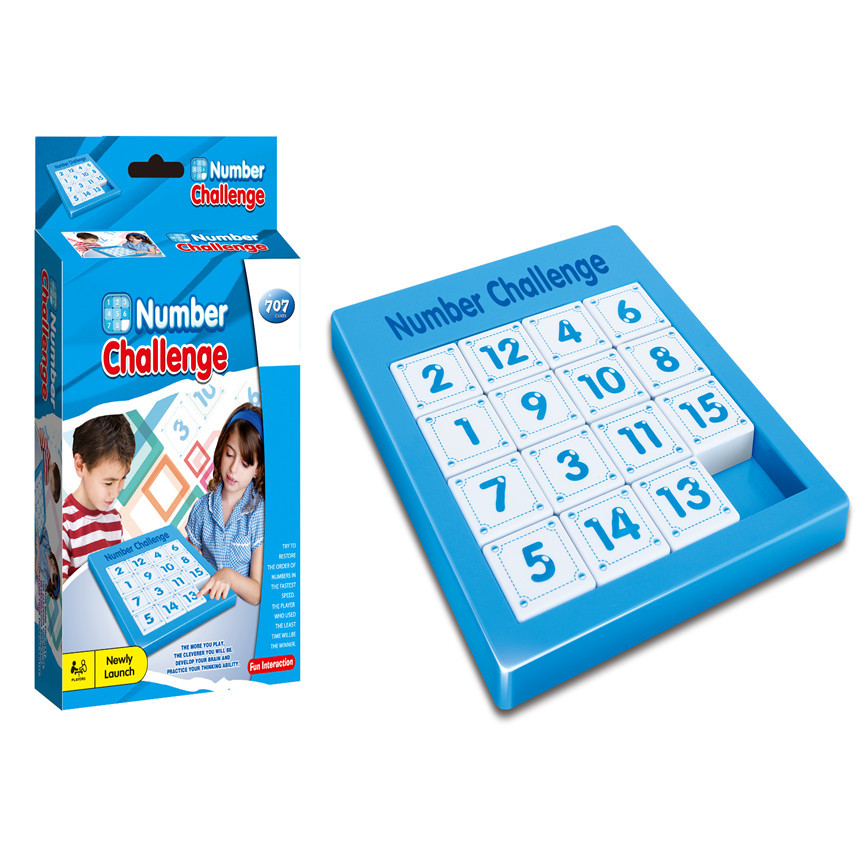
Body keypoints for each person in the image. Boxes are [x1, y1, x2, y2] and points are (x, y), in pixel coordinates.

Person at [186, 403, 264, 605]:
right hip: (207, 608)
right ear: (221, 450)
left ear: (257, 469)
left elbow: (257, 593)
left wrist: (228, 576)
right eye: (229, 454)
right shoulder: (201, 509)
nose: (233, 468)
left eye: (245, 463)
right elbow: (188, 567)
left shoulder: (259, 515)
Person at [61, 414, 135, 582]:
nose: (115, 493)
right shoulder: (63, 523)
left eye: (122, 478)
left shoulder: (114, 519)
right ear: (80, 466)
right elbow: (60, 592)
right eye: (108, 483)